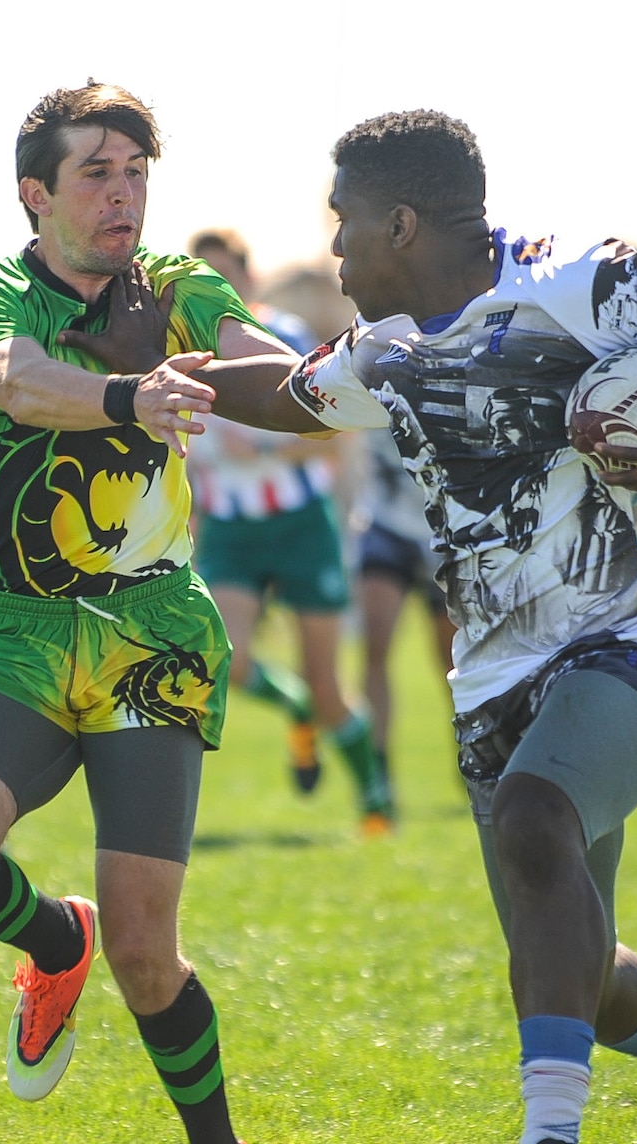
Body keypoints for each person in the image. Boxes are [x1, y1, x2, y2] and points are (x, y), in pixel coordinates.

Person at [185, 110, 637, 1144]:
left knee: (532, 818)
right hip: (490, 687)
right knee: (570, 962)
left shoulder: (581, 282)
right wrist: (155, 368)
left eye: (343, 227)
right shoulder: (387, 347)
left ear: (401, 222)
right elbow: (286, 394)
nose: (332, 254)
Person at [0, 82, 293, 1144]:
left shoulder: (173, 290)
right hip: (16, 627)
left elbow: (263, 361)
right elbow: (12, 382)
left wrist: (348, 381)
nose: (123, 196)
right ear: (36, 194)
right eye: (96, 174)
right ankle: (45, 939)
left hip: (149, 635)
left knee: (146, 948)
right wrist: (129, 394)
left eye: (135, 174)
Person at [184, 230, 393, 833]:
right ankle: (292, 706)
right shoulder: (175, 353)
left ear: (246, 280)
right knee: (228, 659)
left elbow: (335, 431)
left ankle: (373, 799)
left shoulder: (287, 337)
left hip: (302, 522)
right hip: (230, 526)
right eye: (202, 279)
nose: (213, 290)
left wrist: (268, 450)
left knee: (329, 686)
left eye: (224, 276)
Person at [352, 424, 458, 804]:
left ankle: (470, 749)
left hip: (446, 531)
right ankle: (377, 772)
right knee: (375, 644)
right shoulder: (370, 367)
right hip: (385, 523)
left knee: (453, 660)